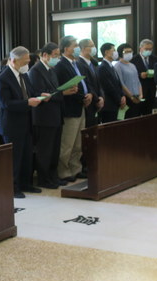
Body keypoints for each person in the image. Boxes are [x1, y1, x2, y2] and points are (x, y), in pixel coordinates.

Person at [0, 47, 46, 198]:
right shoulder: (3, 78)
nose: (27, 64)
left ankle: (26, 184)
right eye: (25, 61)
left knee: (26, 156)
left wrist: (41, 96)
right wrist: (27, 103)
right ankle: (13, 187)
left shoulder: (23, 75)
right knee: (14, 158)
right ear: (14, 60)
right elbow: (5, 103)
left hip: (26, 122)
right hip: (12, 124)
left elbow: (30, 93)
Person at [29, 43, 74, 188]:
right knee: (45, 150)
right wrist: (63, 93)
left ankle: (53, 176)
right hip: (44, 117)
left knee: (55, 150)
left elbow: (54, 90)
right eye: (55, 55)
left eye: (58, 55)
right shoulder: (36, 71)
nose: (57, 58)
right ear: (45, 55)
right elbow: (40, 93)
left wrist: (64, 91)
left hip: (56, 115)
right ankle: (44, 179)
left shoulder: (52, 70)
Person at [54, 35, 91, 182]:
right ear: (66, 48)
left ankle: (76, 169)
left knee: (78, 143)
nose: (77, 48)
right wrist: (82, 97)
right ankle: (64, 171)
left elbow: (83, 84)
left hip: (81, 106)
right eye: (74, 45)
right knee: (67, 143)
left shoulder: (77, 63)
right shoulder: (60, 65)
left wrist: (88, 95)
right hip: (69, 108)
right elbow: (62, 88)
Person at [76, 39, 102, 127]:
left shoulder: (94, 63)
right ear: (83, 49)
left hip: (96, 103)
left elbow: (99, 84)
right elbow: (87, 84)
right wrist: (97, 99)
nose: (94, 48)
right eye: (92, 46)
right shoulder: (79, 63)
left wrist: (101, 97)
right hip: (89, 103)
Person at [97, 43, 126, 124]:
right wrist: (119, 100)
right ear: (106, 52)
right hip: (109, 105)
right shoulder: (103, 67)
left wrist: (122, 95)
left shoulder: (111, 66)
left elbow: (118, 84)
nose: (116, 52)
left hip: (116, 103)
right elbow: (108, 87)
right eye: (114, 50)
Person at [114, 44, 142, 119]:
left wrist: (140, 95)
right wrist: (131, 97)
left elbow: (138, 81)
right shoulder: (118, 66)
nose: (129, 53)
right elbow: (121, 84)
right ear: (120, 53)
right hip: (127, 98)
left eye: (130, 51)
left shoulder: (133, 65)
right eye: (126, 52)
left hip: (137, 97)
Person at [134, 38, 157, 115]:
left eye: (150, 49)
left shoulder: (156, 59)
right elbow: (131, 74)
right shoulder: (133, 59)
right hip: (139, 90)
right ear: (140, 48)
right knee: (138, 112)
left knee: (149, 113)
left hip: (152, 90)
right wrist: (140, 74)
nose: (148, 51)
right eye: (146, 49)